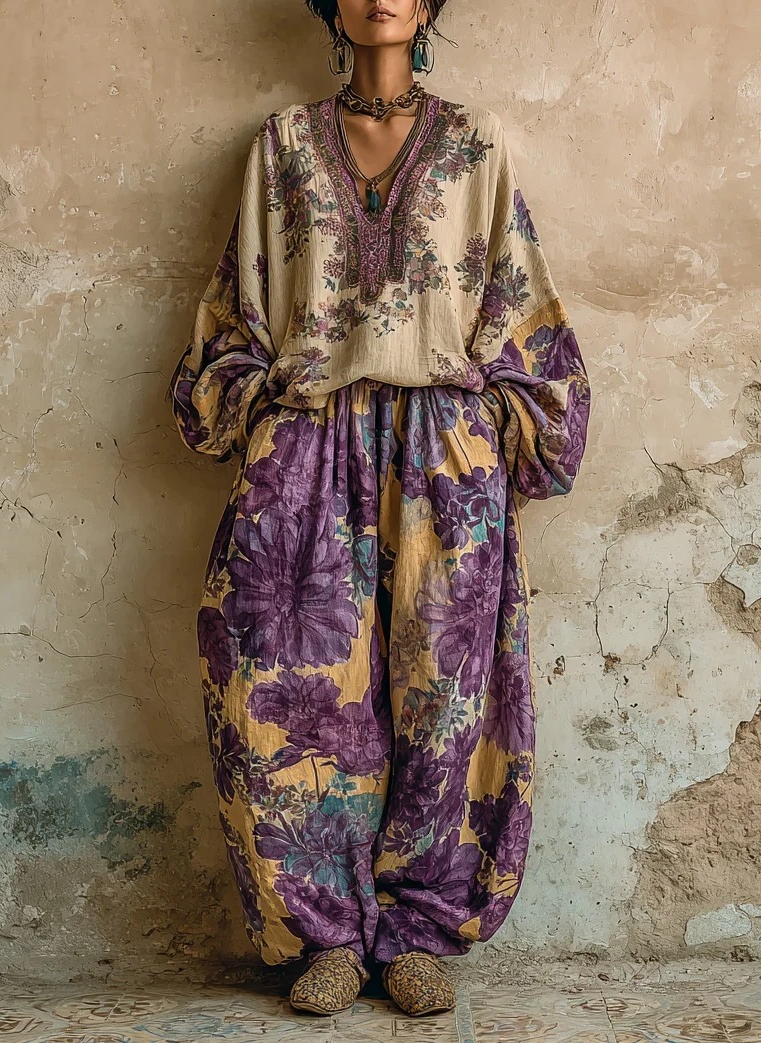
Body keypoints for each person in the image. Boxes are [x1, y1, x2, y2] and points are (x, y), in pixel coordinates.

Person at [166, 0, 592, 1020]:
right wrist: (254, 407)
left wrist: (500, 421)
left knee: (444, 699)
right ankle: (326, 935)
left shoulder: (475, 142)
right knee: (284, 695)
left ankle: (413, 931)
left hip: (443, 448)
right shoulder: (281, 146)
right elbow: (237, 306)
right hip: (306, 442)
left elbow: (516, 297)